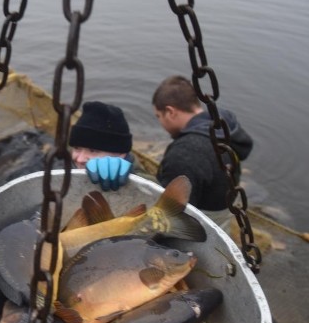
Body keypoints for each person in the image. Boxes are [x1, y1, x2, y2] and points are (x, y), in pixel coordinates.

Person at [152, 75, 254, 230]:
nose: (160, 123)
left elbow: (172, 216)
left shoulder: (185, 153)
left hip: (202, 225)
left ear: (170, 112)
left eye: (159, 116)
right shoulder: (223, 130)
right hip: (223, 211)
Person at [68, 101, 139, 191]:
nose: (79, 159)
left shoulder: (144, 180)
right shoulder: (66, 161)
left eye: (93, 150)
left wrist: (131, 178)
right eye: (77, 148)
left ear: (121, 154)